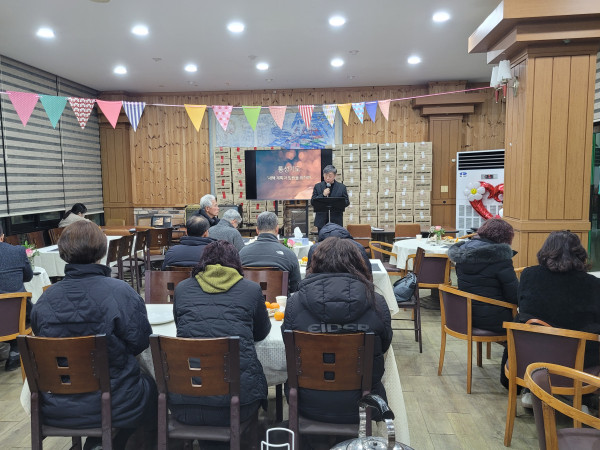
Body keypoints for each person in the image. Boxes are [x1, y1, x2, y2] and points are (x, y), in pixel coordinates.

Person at [31, 221, 156, 449]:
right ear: (101, 251)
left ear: (63, 252)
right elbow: (139, 343)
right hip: (114, 401)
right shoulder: (121, 292)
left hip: (57, 404)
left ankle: (100, 442)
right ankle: (117, 441)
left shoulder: (45, 300)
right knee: (152, 387)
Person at [282, 237, 392, 424]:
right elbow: (384, 344)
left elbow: (288, 345)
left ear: (315, 264)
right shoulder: (377, 302)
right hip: (364, 402)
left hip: (306, 401)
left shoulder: (294, 302)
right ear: (358, 263)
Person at [172, 240, 271, 426]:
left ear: (203, 261)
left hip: (185, 402)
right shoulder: (251, 290)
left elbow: (181, 328)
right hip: (239, 404)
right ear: (236, 262)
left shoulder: (182, 289)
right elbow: (260, 333)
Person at [517, 231, 600, 367]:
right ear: (579, 253)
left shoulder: (528, 275)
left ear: (545, 251)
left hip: (531, 354)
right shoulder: (593, 284)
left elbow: (522, 306)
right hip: (578, 360)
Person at [448, 218, 518, 333]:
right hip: (491, 319)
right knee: (526, 321)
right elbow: (514, 295)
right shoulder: (500, 258)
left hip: (464, 315)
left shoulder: (463, 251)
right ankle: (511, 344)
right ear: (506, 237)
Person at [239, 211, 301, 293]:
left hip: (249, 300)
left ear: (257, 230)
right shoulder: (289, 255)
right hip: (280, 300)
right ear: (277, 229)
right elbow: (296, 287)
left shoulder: (242, 253)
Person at [0, 223, 33, 371]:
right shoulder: (18, 251)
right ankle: (15, 349)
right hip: (18, 316)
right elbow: (28, 277)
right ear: (2, 237)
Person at [306, 222, 372, 275]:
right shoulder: (358, 246)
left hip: (319, 285)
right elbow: (367, 271)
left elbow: (309, 273)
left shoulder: (315, 248)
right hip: (355, 284)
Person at [311, 165, 349, 231]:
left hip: (336, 220)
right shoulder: (318, 186)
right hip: (322, 221)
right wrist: (323, 195)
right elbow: (313, 202)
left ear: (335, 175)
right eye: (325, 175)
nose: (327, 178)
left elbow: (347, 202)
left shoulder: (341, 187)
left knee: (335, 237)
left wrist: (338, 202)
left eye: (330, 176)